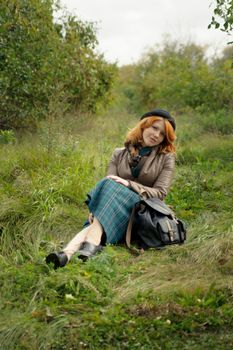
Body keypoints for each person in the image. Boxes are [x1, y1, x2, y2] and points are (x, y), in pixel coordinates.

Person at [46, 109, 176, 269]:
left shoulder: (166, 158)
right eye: (154, 128)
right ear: (144, 126)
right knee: (108, 186)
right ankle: (67, 254)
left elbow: (160, 193)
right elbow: (109, 184)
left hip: (140, 211)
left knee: (109, 192)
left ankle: (83, 246)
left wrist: (129, 185)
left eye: (162, 134)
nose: (156, 135)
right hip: (113, 206)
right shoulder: (118, 153)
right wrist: (96, 209)